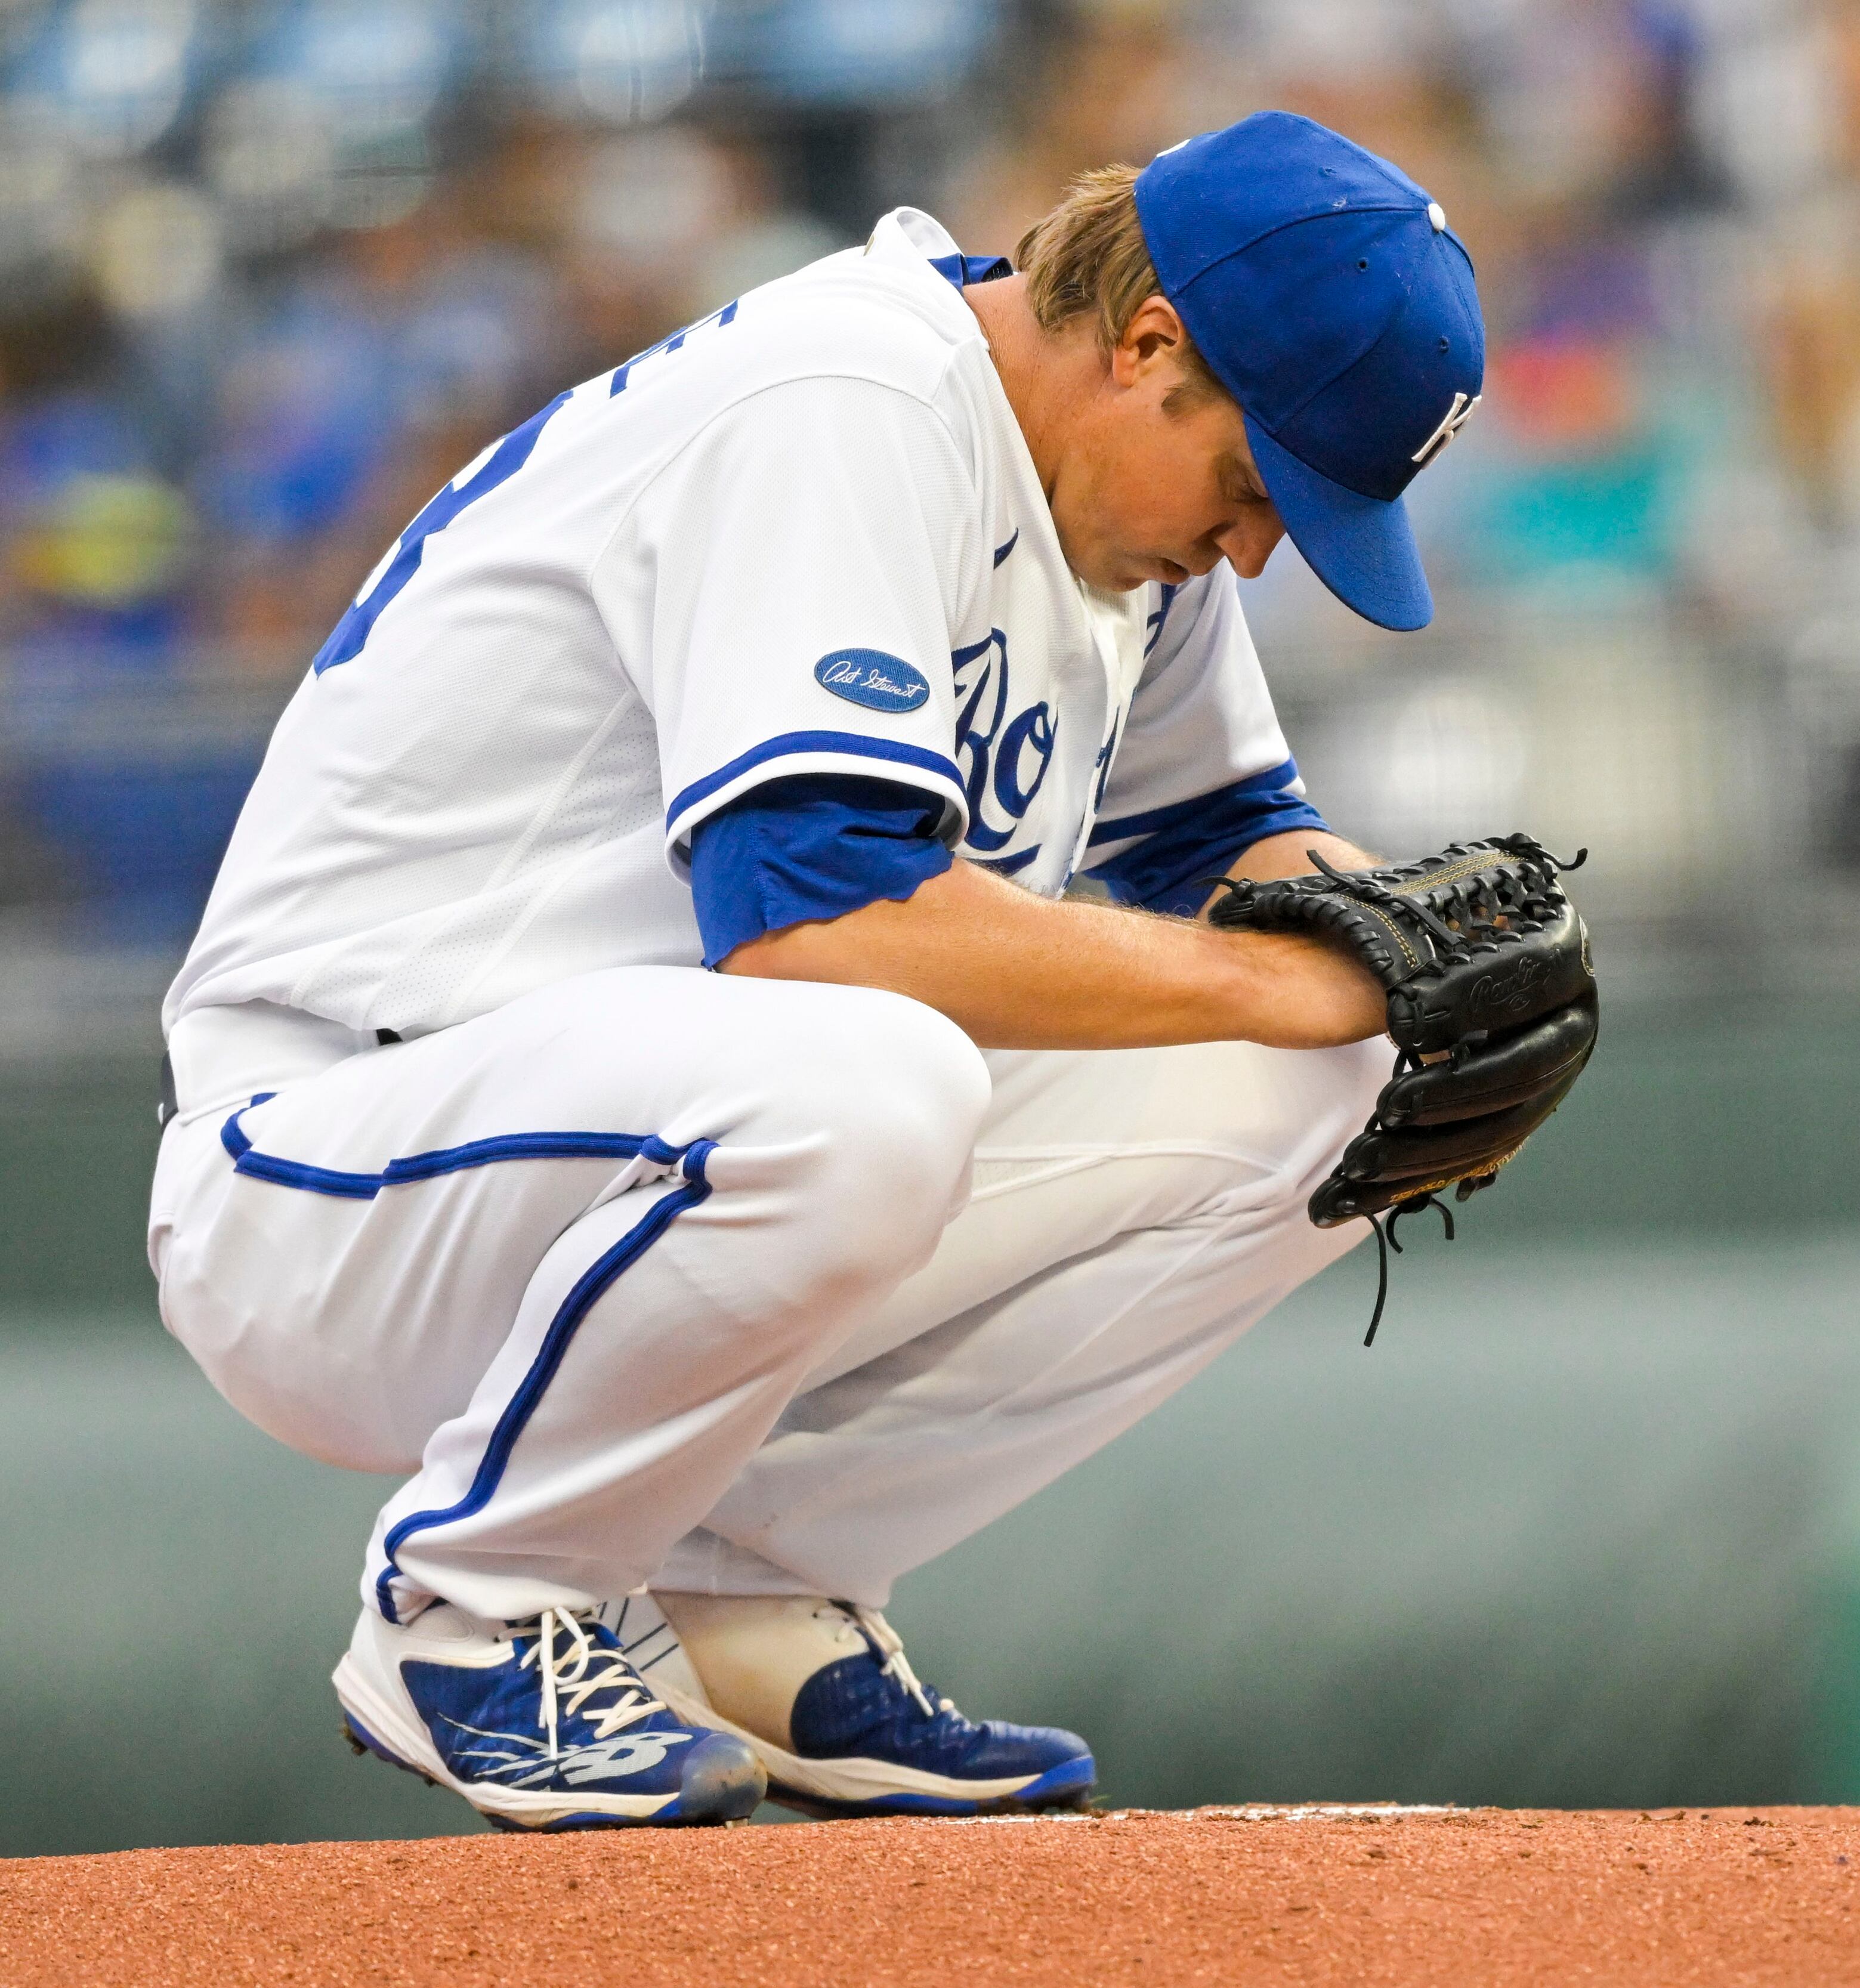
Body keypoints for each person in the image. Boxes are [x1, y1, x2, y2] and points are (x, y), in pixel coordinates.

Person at [146, 111, 1486, 1832]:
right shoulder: (847, 403)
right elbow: (815, 926)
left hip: (639, 1142)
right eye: (1255, 487)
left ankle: (744, 1587)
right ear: (1149, 342)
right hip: (334, 1163)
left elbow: (1221, 838)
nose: (1252, 552)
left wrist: (1401, 953)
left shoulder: (1100, 500)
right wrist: (1276, 982)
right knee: (874, 1065)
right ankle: (468, 1614)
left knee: (1355, 1080)